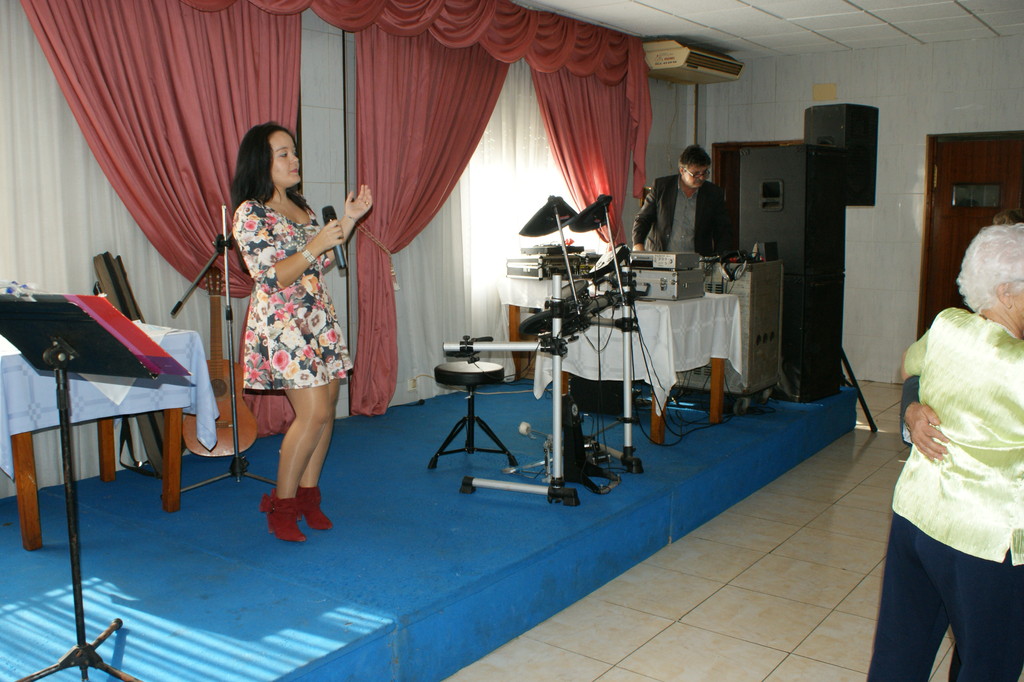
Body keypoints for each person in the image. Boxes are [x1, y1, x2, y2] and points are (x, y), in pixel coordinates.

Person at [868, 223, 1024, 681]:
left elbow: (910, 367)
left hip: (917, 518)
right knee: (988, 665)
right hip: (986, 542)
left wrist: (911, 409)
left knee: (899, 655)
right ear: (1006, 292)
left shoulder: (947, 325)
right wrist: (913, 411)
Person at [230, 122, 373, 542]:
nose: (295, 160)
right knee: (310, 414)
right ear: (262, 162)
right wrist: (315, 246)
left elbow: (322, 258)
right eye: (284, 154)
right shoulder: (250, 213)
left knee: (326, 410)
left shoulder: (301, 207)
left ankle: (309, 497)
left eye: (294, 152)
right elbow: (270, 276)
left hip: (316, 317)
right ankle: (282, 505)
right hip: (284, 325)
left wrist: (349, 220)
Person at [631, 144, 733, 256]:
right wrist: (638, 244)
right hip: (660, 256)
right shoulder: (662, 187)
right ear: (682, 170)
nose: (701, 177)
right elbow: (643, 218)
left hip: (696, 260)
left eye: (705, 172)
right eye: (696, 174)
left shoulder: (713, 194)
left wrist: (719, 258)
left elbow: (723, 230)